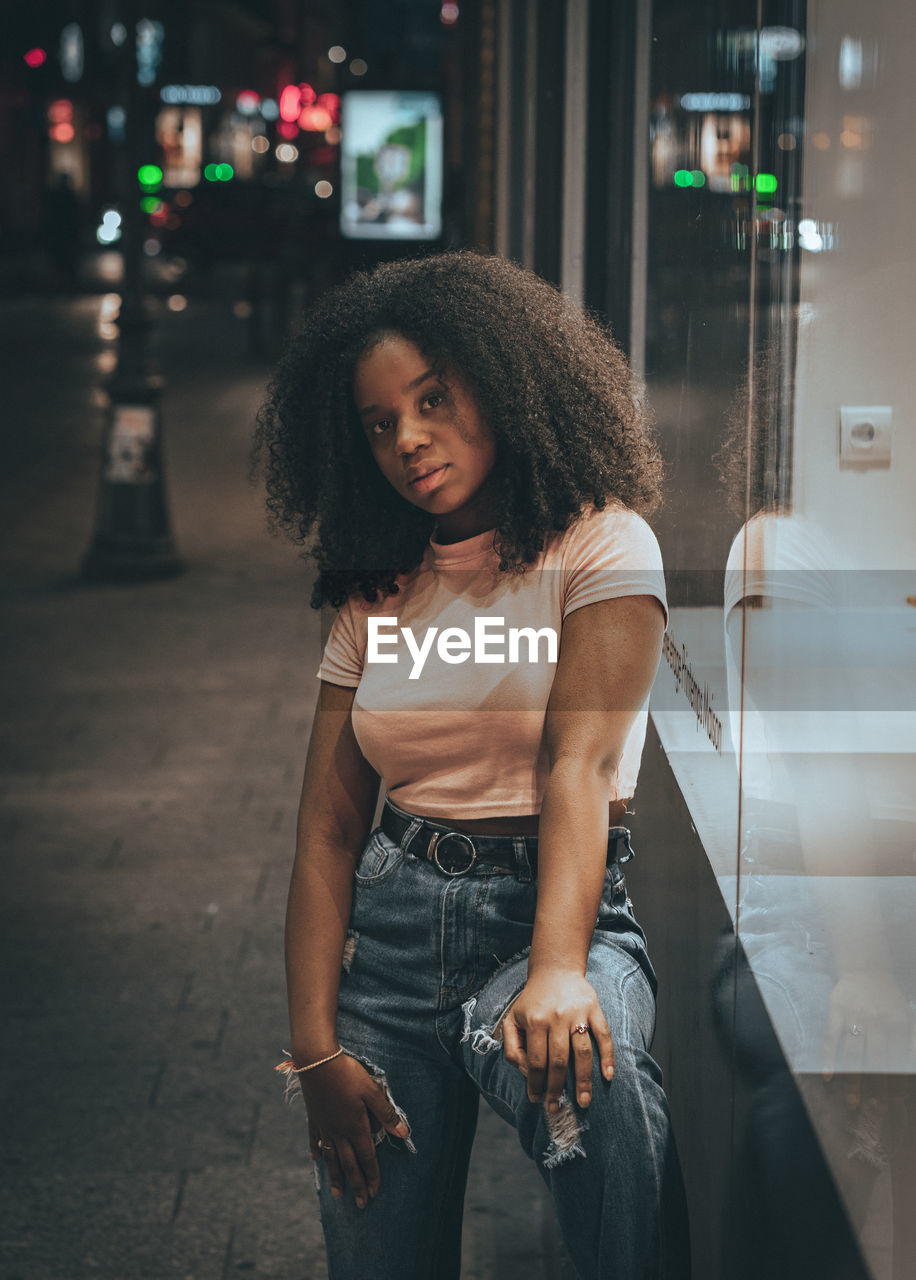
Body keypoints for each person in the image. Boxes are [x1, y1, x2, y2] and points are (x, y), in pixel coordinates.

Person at [254, 251, 690, 1279]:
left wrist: (553, 969)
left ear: (503, 382)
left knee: (606, 1092)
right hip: (391, 934)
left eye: (433, 399)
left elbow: (578, 766)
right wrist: (315, 1049)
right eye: (377, 421)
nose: (407, 438)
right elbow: (325, 826)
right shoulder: (376, 585)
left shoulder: (602, 545)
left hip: (551, 908)